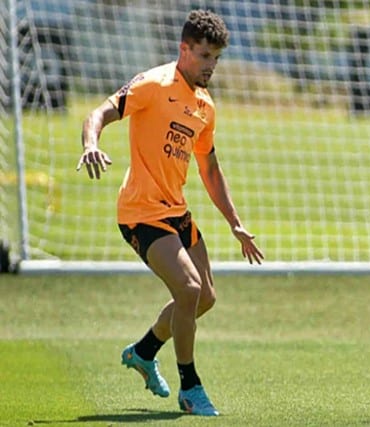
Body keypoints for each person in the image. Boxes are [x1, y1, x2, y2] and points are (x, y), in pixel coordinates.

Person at [76, 10, 264, 416]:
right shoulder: (153, 84)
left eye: (216, 58)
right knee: (189, 289)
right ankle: (190, 386)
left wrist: (235, 223)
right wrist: (91, 143)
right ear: (184, 49)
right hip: (140, 212)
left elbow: (210, 168)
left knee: (205, 298)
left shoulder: (204, 106)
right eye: (205, 56)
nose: (211, 66)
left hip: (176, 212)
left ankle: (144, 352)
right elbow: (99, 112)